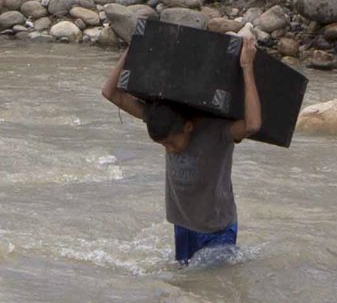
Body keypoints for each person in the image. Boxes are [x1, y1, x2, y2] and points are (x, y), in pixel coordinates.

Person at [100, 23, 259, 259]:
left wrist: (247, 67)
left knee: (210, 289)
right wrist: (134, 47)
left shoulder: (217, 131)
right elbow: (110, 93)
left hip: (217, 230)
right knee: (187, 286)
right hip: (183, 226)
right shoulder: (160, 119)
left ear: (188, 126)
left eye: (171, 143)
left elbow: (253, 125)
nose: (170, 150)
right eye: (163, 146)